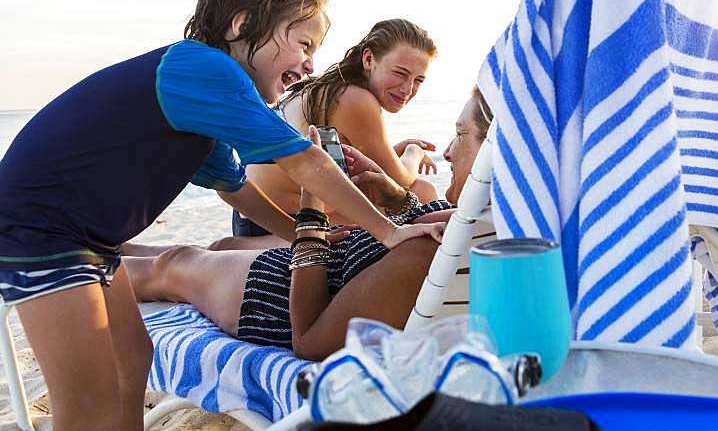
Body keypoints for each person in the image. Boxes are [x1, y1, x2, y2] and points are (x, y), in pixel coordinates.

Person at [0, 0, 444, 431]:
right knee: (89, 399)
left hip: (87, 239)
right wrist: (391, 231)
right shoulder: (203, 68)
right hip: (39, 231)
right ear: (240, 25)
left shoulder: (201, 104)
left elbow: (237, 190)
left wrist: (299, 233)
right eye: (303, 44)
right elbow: (305, 160)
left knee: (133, 362)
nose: (311, 63)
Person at [126, 87, 493, 360]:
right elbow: (425, 223)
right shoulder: (490, 223)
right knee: (220, 246)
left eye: (461, 135)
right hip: (331, 262)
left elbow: (310, 341)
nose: (446, 151)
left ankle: (78, 270)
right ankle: (107, 246)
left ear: (495, 153)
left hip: (279, 299)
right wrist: (398, 197)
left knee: (173, 265)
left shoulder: (424, 255)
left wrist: (313, 203)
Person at [223, 19, 440, 247]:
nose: (408, 89)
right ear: (368, 59)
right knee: (422, 192)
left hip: (251, 218)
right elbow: (399, 179)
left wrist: (394, 153)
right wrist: (413, 152)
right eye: (400, 73)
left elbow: (341, 163)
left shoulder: (325, 88)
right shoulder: (357, 99)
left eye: (418, 80)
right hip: (282, 223)